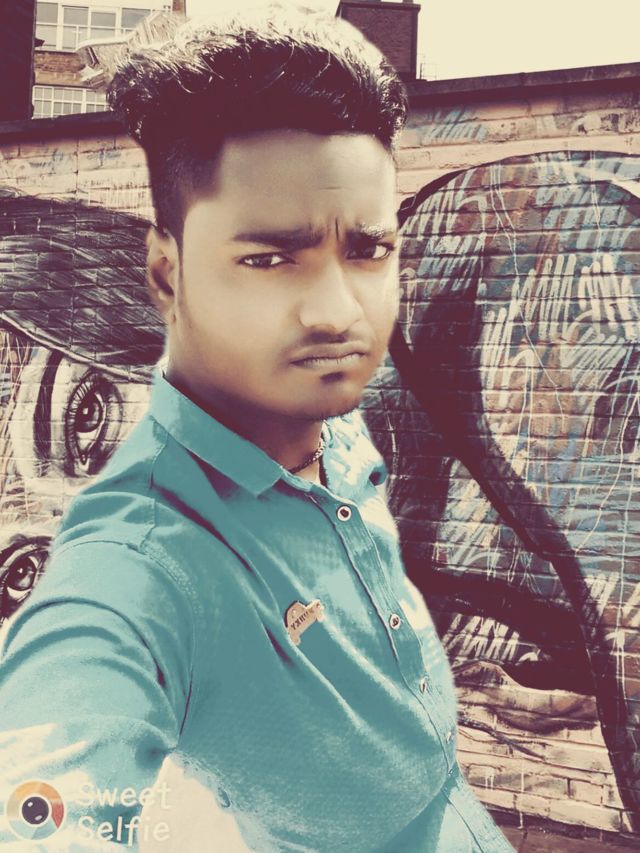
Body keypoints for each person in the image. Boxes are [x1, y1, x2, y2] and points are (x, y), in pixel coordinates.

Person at [0, 6, 515, 851]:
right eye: (269, 259)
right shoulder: (135, 572)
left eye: (366, 250)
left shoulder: (334, 431)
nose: (335, 310)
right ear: (168, 278)